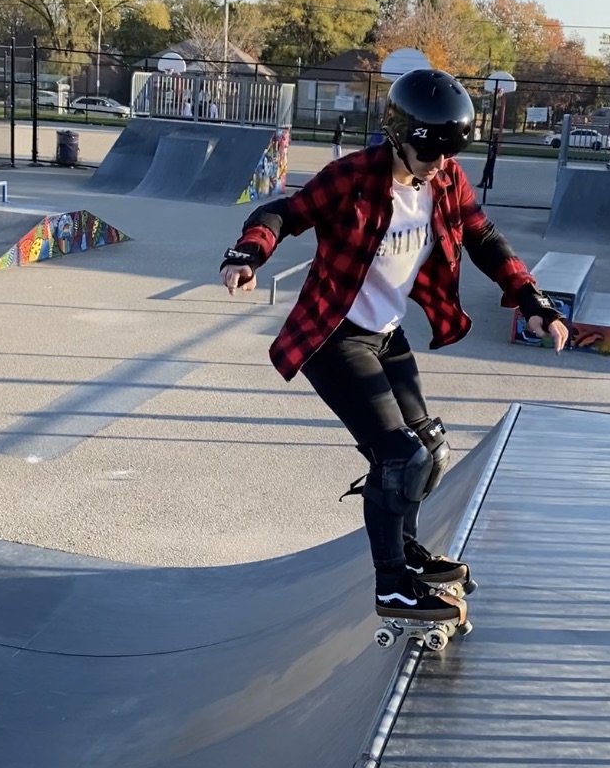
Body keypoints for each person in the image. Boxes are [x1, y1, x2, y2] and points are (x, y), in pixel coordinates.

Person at [220, 69, 568, 622]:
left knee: (430, 452)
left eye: (445, 157)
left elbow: (483, 237)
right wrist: (248, 253)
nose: (436, 167)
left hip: (386, 335)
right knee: (399, 458)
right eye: (427, 156)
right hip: (334, 336)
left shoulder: (448, 179)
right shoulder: (354, 176)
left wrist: (533, 299)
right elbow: (284, 213)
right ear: (398, 135)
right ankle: (393, 588)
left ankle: (405, 552)